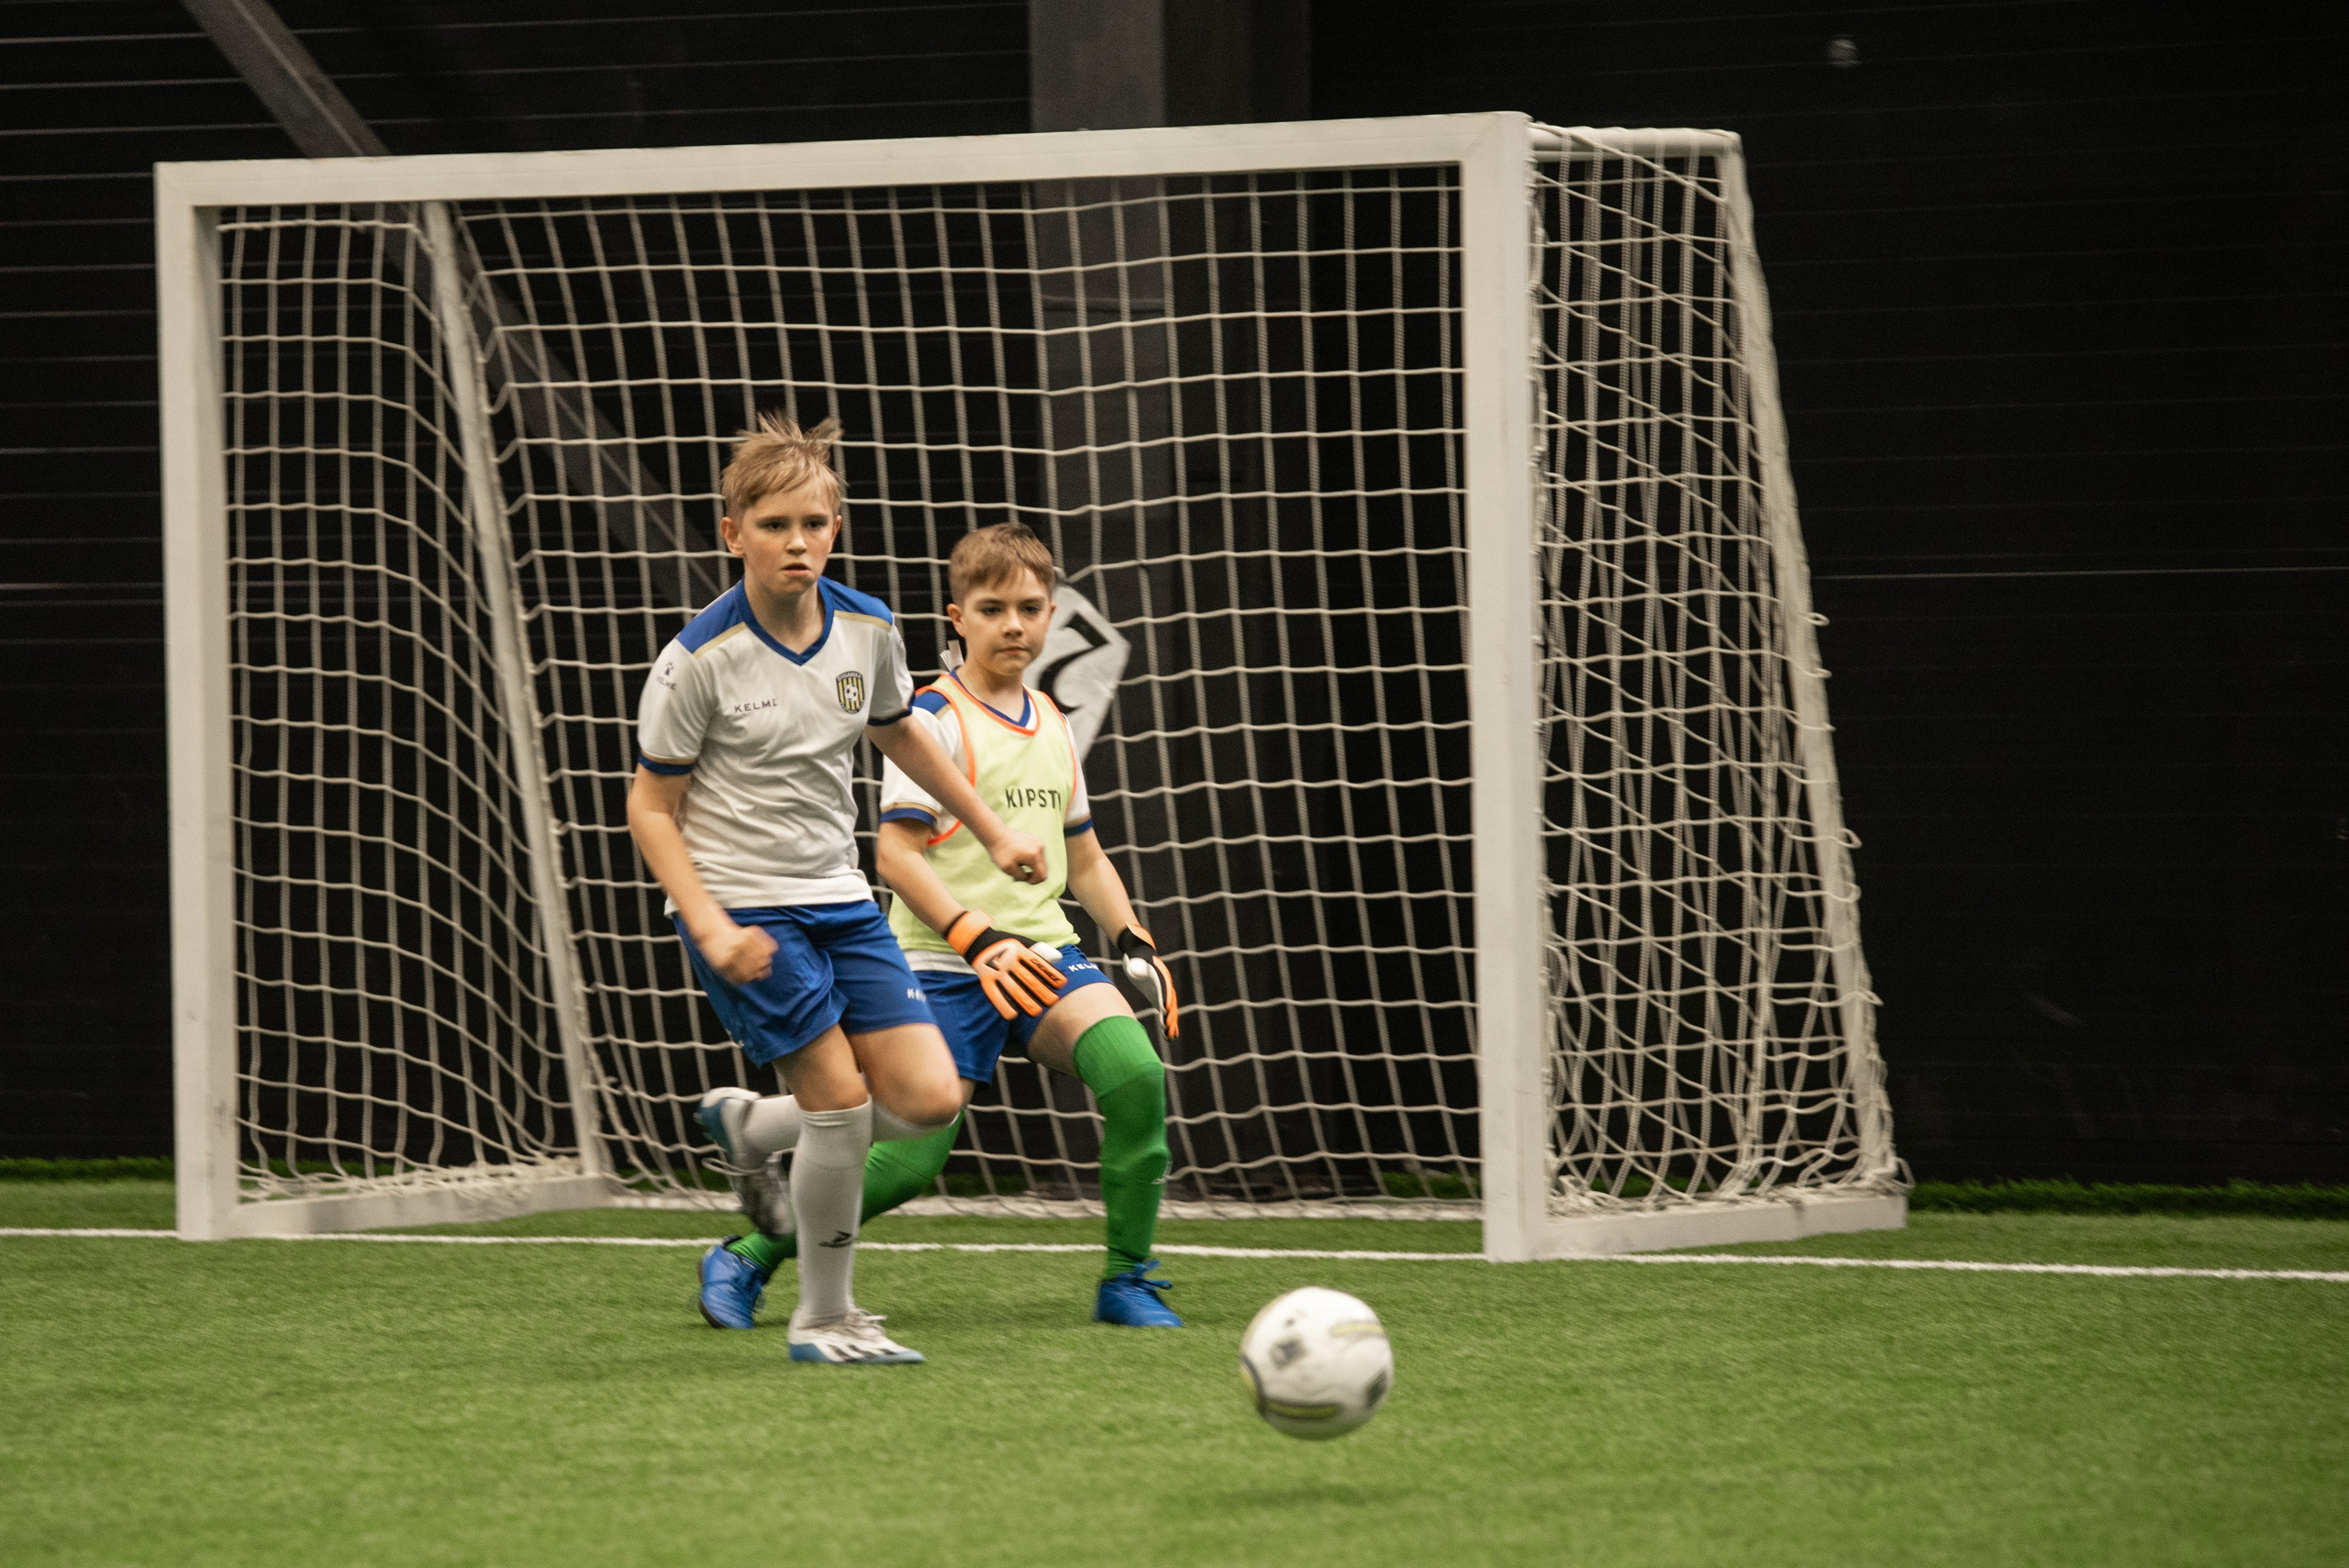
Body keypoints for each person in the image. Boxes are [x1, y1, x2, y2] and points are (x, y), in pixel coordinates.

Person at [691, 523, 1185, 1328]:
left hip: (1046, 956)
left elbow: (1084, 856)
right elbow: (897, 856)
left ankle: (1127, 1278)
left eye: (1029, 607)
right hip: (944, 961)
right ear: (957, 617)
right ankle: (746, 1255)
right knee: (908, 1160)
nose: (1014, 625)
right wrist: (974, 937)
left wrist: (1132, 939)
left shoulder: (1056, 721)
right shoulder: (935, 717)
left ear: (1053, 613)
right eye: (993, 609)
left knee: (1136, 1076)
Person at [629, 413, 1046, 1364]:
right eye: (774, 524)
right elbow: (651, 808)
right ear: (732, 532)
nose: (797, 542)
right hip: (742, 906)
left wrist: (990, 828)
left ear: (836, 527)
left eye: (814, 523)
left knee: (930, 1097)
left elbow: (902, 735)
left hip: (839, 896)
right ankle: (824, 1316)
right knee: (841, 1106)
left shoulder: (868, 627)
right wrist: (707, 923)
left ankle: (745, 1124)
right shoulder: (696, 658)